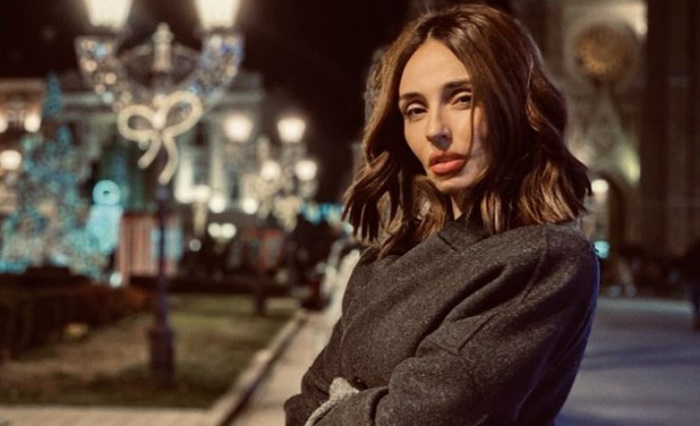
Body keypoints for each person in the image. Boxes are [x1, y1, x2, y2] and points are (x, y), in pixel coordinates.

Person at [284, 4, 599, 425]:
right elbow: (304, 401)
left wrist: (340, 403)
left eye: (463, 98)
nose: (435, 129)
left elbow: (418, 418)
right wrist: (359, 404)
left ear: (514, 103)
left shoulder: (543, 258)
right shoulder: (387, 258)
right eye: (414, 109)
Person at [679, 240, 700, 331]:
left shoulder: (691, 253)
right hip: (694, 279)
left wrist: (686, 277)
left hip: (693, 279)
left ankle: (697, 319)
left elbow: (685, 265)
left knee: (695, 302)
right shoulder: (691, 253)